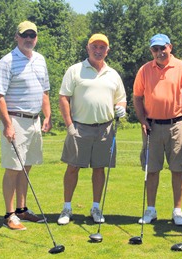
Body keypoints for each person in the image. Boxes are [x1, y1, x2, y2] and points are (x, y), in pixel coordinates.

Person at [57, 33, 127, 225]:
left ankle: (96, 207)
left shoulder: (113, 74)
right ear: (88, 48)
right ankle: (67, 208)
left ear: (107, 50)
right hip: (79, 127)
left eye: (102, 47)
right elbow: (64, 97)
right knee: (73, 168)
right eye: (94, 47)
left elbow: (121, 98)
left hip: (105, 129)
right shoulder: (75, 70)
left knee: (99, 169)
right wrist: (69, 124)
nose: (98, 50)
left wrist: (121, 107)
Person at [0, 21, 52, 230]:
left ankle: (22, 210)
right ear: (17, 37)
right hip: (15, 120)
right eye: (24, 35)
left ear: (36, 37)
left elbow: (44, 91)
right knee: (13, 169)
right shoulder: (6, 62)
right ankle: (9, 215)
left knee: (26, 167)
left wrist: (48, 115)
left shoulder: (40, 60)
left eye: (32, 35)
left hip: (34, 121)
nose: (29, 39)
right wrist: (7, 124)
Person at [133, 33, 182, 225]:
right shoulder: (145, 70)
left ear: (170, 47)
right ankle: (151, 209)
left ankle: (177, 211)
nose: (159, 52)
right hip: (151, 126)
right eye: (155, 49)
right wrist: (142, 119)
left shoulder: (181, 67)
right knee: (151, 169)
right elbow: (137, 97)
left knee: (177, 168)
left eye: (163, 48)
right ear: (151, 50)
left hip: (177, 124)